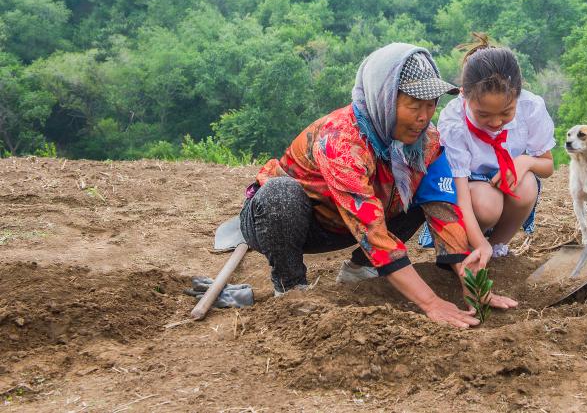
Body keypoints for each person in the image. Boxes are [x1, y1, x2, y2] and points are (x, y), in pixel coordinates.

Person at [238, 43, 516, 327]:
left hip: (347, 226)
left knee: (423, 190)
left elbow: (441, 207)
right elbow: (370, 227)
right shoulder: (341, 141)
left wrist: (472, 281)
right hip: (299, 223)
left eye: (431, 104)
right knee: (281, 195)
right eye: (414, 106)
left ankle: (362, 267)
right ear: (384, 99)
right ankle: (291, 286)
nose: (424, 117)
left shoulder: (427, 140)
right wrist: (431, 303)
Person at [426, 34, 555, 270]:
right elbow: (461, 196)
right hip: (470, 189)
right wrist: (479, 243)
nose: (496, 123)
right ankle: (469, 248)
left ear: (518, 94)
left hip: (506, 182)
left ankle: (496, 247)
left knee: (527, 184)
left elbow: (547, 166)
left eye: (506, 113)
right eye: (483, 114)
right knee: (487, 205)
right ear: (464, 95)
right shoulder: (455, 121)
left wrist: (525, 162)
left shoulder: (530, 107)